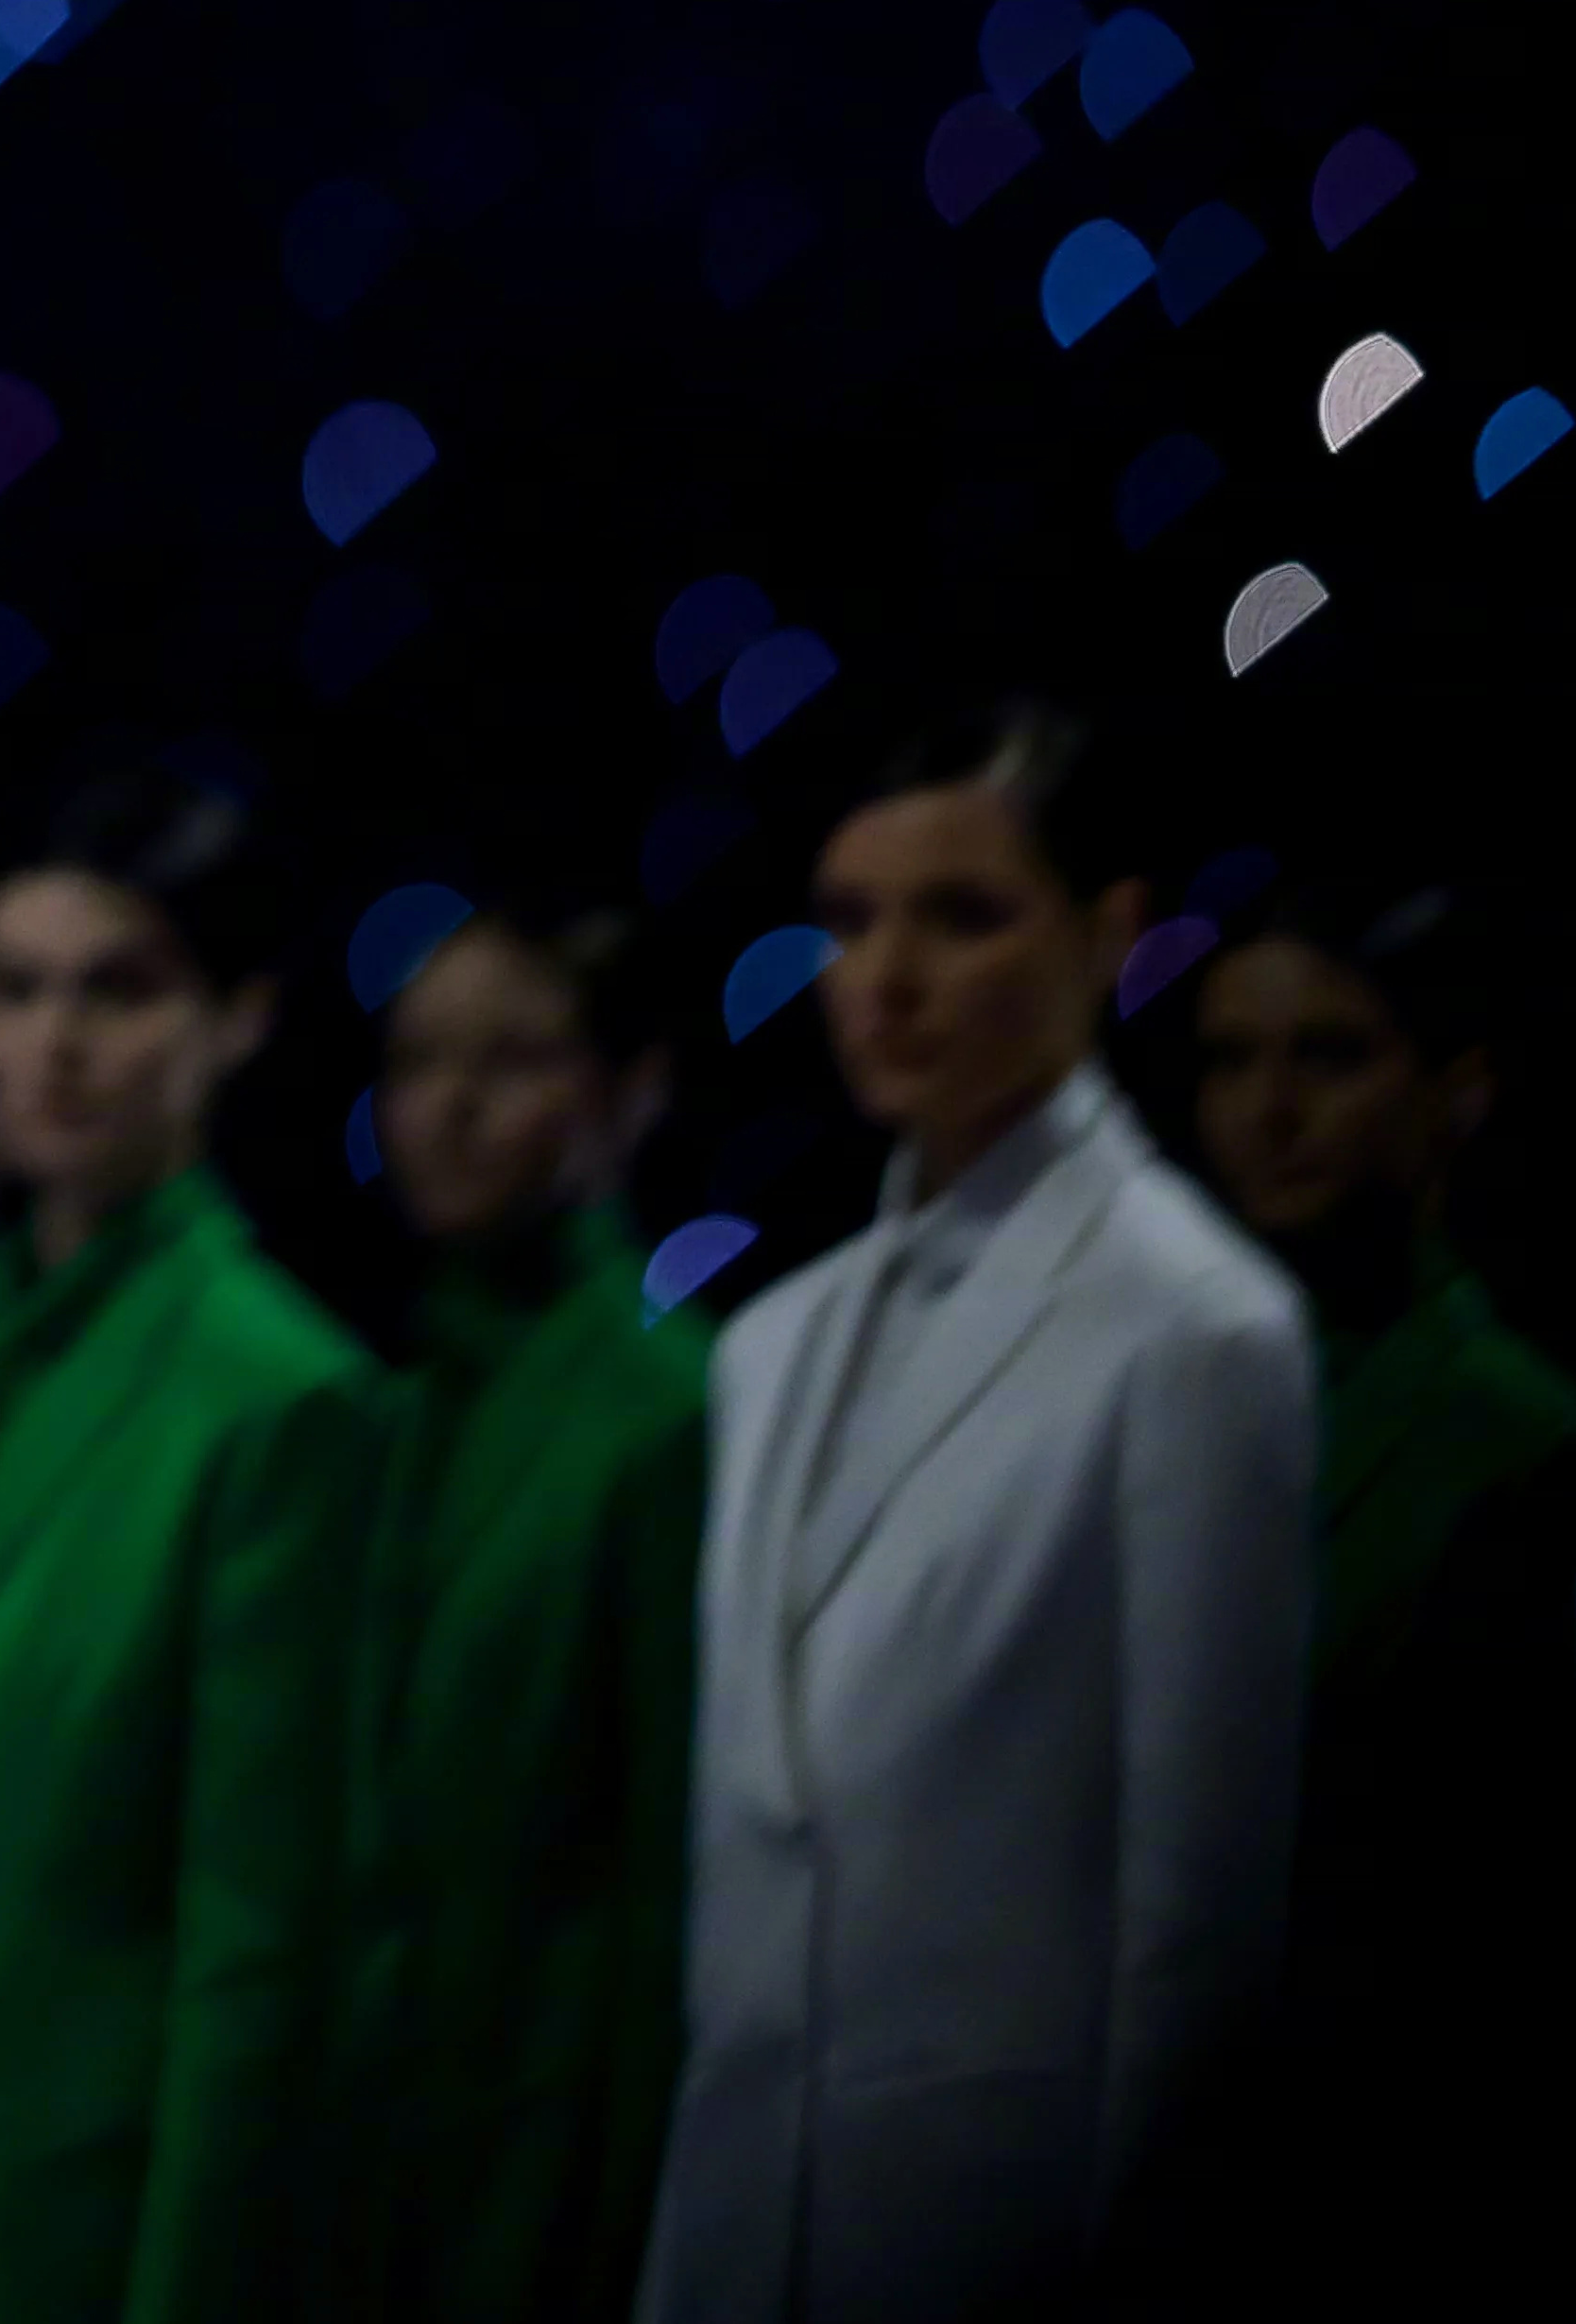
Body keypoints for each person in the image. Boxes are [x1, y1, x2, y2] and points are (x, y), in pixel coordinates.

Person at [637, 699, 1314, 2324]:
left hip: (996, 2228)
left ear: (1107, 932)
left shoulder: (1196, 1331)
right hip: (737, 2209)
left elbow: (1196, 1921)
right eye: (848, 917)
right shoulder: (769, 1341)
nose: (885, 974)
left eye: (959, 913)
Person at [0, 769, 383, 2324]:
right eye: (12, 987)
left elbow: (256, 1937)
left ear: (237, 1015)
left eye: (118, 986)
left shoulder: (283, 1391)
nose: (53, 1039)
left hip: (75, 2219)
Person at [1177, 879, 1576, 2286]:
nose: (1269, 1107)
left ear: (1453, 1091)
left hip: (1391, 2144)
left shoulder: (1529, 1439)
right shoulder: (1153, 1395)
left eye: (1330, 1054)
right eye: (1230, 1058)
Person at [327, 901, 705, 2324]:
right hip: (371, 2127)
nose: (452, 1105)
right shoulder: (390, 1398)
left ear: (630, 1088)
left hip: (540, 2148)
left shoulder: (666, 1412)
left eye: (514, 1059)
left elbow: (670, 1871)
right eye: (418, 1061)